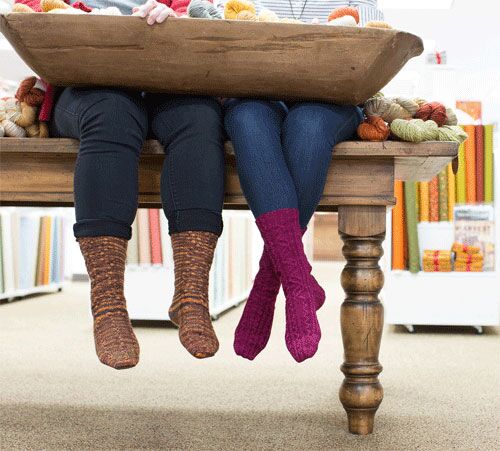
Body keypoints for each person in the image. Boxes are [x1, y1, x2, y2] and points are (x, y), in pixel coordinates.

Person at [14, 0, 225, 368]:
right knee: (110, 114)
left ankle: (191, 297)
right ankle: (108, 305)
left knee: (200, 119)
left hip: (168, 81)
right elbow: (27, 12)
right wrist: (85, 19)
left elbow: (202, 13)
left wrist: (177, 18)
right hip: (86, 87)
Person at [225, 1, 383, 362]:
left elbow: (375, 50)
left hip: (331, 99)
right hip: (254, 93)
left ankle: (268, 285)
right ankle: (298, 280)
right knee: (246, 118)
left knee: (308, 125)